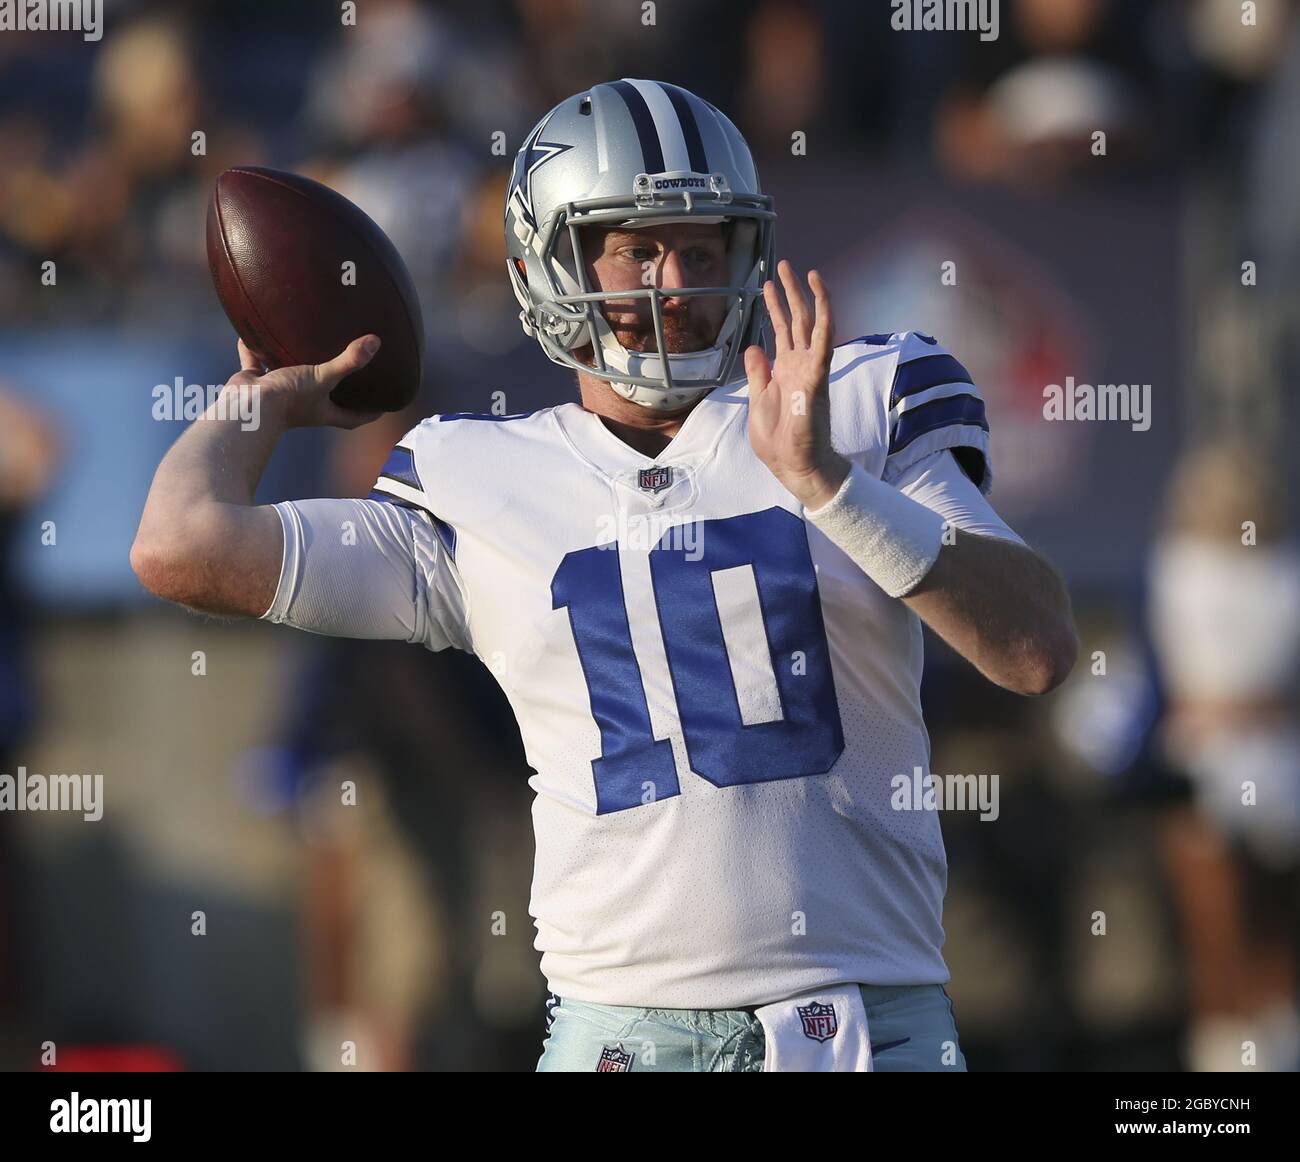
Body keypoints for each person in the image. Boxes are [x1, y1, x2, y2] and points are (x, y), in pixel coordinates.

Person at [131, 79, 1077, 1072]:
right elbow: (180, 545)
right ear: (552, 263)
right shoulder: (476, 474)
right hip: (620, 1040)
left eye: (702, 247)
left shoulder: (862, 398)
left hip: (863, 1030)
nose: (673, 281)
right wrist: (258, 402)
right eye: (635, 248)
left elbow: (1035, 648)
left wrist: (831, 486)